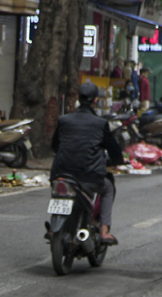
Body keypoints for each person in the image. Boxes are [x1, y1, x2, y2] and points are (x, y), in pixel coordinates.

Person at [49, 81, 126, 245]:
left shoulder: (64, 120)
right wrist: (118, 161)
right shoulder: (100, 123)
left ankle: (52, 228)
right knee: (108, 188)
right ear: (95, 100)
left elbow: (55, 146)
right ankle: (104, 231)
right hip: (89, 177)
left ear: (78, 98)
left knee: (57, 191)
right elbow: (113, 149)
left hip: (60, 174)